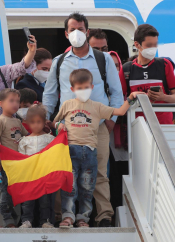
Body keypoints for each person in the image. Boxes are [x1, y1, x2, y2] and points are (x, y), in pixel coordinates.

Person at [43, 12, 124, 228]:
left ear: (87, 32)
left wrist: (111, 120)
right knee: (66, 172)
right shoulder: (59, 61)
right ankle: (64, 216)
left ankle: (104, 215)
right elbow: (50, 94)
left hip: (98, 127)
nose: (77, 33)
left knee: (99, 173)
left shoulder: (103, 58)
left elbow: (116, 92)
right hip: (67, 129)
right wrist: (46, 120)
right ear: (66, 33)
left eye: (80, 28)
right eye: (72, 29)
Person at [53, 69, 144, 228]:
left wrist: (130, 98)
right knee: (70, 186)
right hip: (70, 151)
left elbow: (119, 111)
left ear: (92, 87)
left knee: (87, 188)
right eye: (79, 88)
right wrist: (58, 125)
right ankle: (68, 217)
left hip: (90, 152)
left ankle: (83, 219)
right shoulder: (67, 104)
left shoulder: (98, 107)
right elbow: (55, 121)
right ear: (72, 89)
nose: (83, 90)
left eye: (86, 87)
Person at [128, 24, 175, 124]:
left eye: (155, 44)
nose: (153, 48)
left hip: (164, 125)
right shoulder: (127, 69)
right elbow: (120, 100)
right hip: (138, 127)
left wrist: (163, 97)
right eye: (149, 45)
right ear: (137, 45)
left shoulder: (165, 65)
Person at [0, 88, 29, 227]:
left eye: (17, 101)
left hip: (19, 163)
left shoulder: (18, 122)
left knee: (19, 192)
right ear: (1, 103)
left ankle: (20, 218)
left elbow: (27, 137)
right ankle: (8, 220)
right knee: (6, 192)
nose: (15, 104)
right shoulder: (0, 120)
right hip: (6, 164)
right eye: (11, 101)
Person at [18, 105, 55, 228]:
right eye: (32, 122)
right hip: (29, 175)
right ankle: (26, 221)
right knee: (27, 200)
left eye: (39, 122)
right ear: (27, 123)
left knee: (45, 201)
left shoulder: (49, 139)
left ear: (44, 122)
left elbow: (54, 155)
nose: (36, 125)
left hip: (44, 175)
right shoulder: (24, 140)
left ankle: (45, 221)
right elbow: (21, 159)